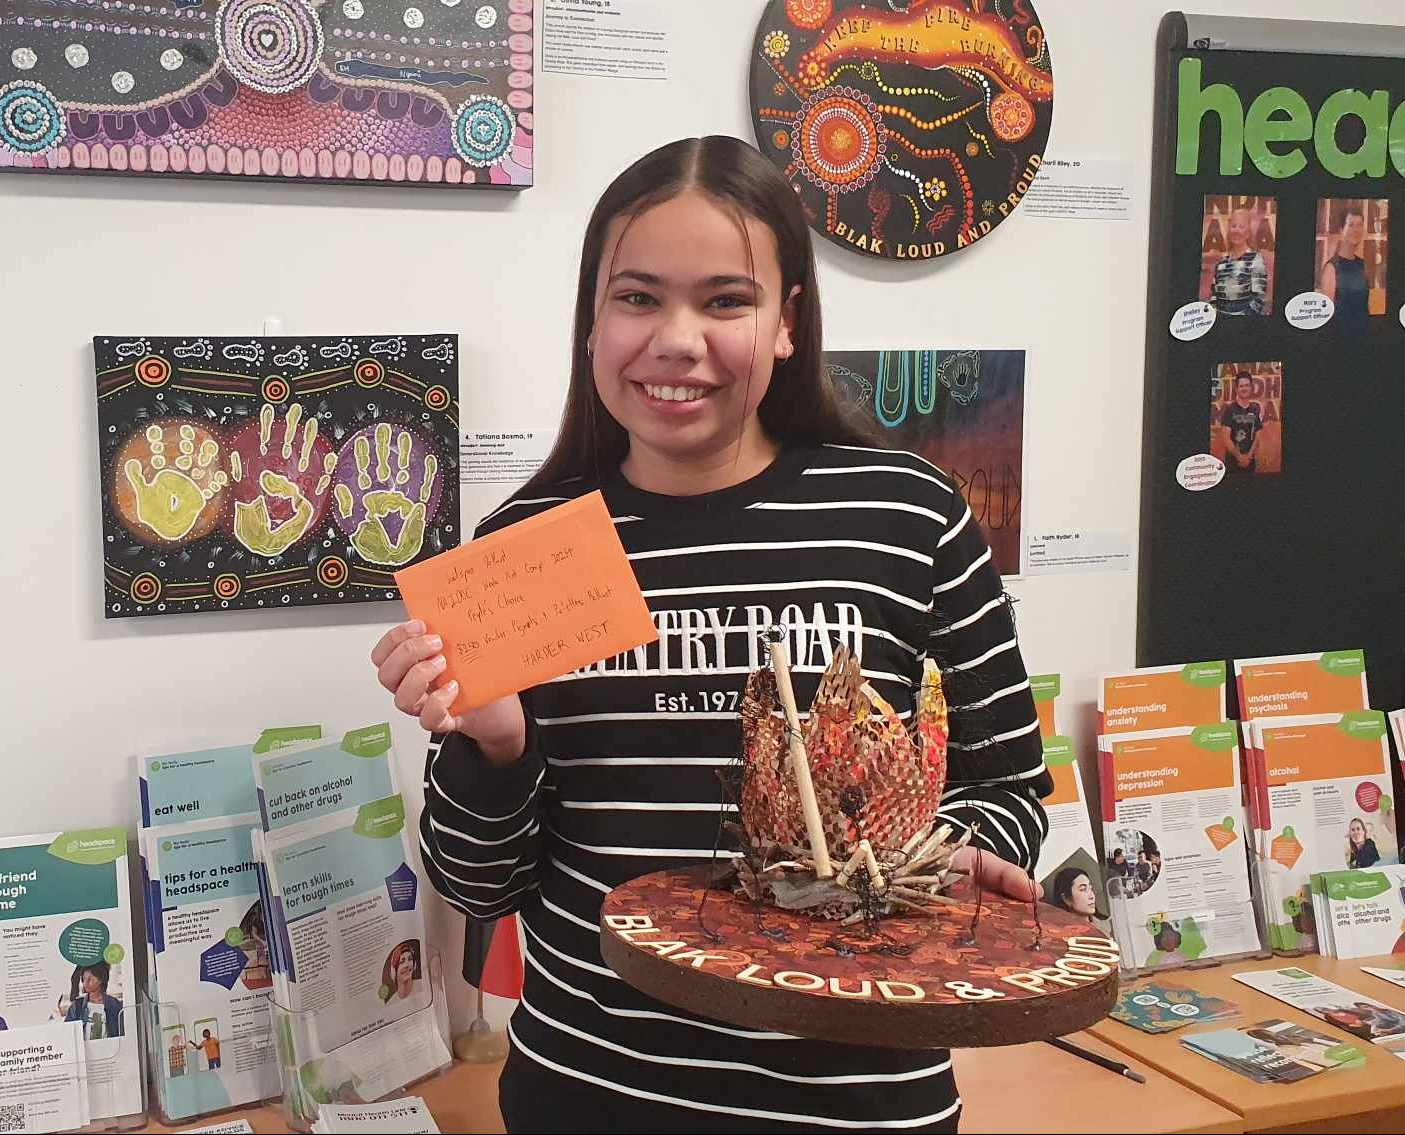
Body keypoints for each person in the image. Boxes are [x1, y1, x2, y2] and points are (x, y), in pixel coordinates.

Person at [371, 136, 1049, 1133]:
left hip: (854, 1099)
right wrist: (495, 746)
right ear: (593, 320)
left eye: (725, 300)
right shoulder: (527, 550)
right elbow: (479, 881)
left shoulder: (908, 516)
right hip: (593, 1095)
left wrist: (949, 859)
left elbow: (1007, 786)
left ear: (788, 322)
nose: (676, 340)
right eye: (637, 298)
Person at [1210, 205, 1270, 316]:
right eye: (1233, 226)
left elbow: (1258, 299)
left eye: (1241, 227)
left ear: (1248, 233)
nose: (1236, 230)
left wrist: (1239, 321)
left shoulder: (1255, 260)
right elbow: (1213, 297)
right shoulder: (1221, 263)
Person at [1319, 206, 1371, 325]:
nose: (1356, 230)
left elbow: (1365, 307)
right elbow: (1327, 316)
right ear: (1342, 230)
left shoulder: (1361, 264)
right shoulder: (1331, 268)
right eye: (1351, 225)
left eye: (1359, 225)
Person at [1218, 372, 1263, 476]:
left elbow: (1257, 435)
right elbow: (1225, 438)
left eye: (1247, 385)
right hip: (1233, 463)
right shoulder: (1230, 410)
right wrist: (1240, 457)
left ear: (1251, 387)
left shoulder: (1255, 409)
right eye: (1241, 386)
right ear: (1236, 389)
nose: (1244, 388)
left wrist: (1249, 457)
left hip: (1250, 462)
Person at [64, 961, 123, 1038]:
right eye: (84, 979)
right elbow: (67, 1031)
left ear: (101, 980)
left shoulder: (113, 1004)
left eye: (91, 979)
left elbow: (121, 1030)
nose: (86, 983)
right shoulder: (76, 1006)